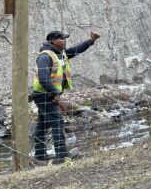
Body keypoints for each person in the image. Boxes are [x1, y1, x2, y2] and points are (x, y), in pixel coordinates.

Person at [31, 30, 100, 164]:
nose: (65, 41)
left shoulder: (60, 54)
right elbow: (43, 78)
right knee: (57, 122)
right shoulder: (45, 56)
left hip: (48, 94)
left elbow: (76, 50)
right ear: (53, 41)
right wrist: (55, 94)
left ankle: (40, 155)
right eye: (62, 38)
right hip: (45, 95)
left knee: (42, 124)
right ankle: (62, 156)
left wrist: (91, 41)